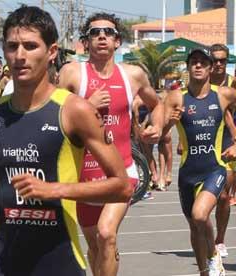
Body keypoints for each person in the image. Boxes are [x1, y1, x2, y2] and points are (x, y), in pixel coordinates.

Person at [0, 6, 132, 276]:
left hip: (59, 259)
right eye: (12, 46)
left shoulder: (75, 111)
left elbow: (122, 187)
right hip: (4, 259)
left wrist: (54, 190)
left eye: (31, 46)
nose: (20, 56)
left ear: (51, 51)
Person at [58, 12, 164, 276]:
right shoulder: (72, 73)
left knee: (107, 235)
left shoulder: (133, 75)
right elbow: (52, 114)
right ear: (85, 42)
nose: (102, 36)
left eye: (108, 32)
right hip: (82, 177)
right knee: (96, 245)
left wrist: (157, 127)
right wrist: (84, 106)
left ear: (118, 41)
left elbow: (157, 104)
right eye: (95, 32)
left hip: (122, 172)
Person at [164, 48, 236, 276]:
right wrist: (166, 125)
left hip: (214, 168)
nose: (198, 66)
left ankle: (214, 252)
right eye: (193, 62)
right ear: (188, 67)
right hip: (187, 172)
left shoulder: (223, 94)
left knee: (199, 214)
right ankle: (205, 271)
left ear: (209, 67)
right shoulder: (177, 97)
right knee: (195, 227)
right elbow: (157, 132)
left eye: (202, 63)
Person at [209, 43, 236, 259]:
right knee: (203, 197)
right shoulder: (201, 81)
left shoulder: (232, 84)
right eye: (215, 60)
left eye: (222, 60)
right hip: (203, 143)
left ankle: (220, 240)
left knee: (224, 196)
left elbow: (228, 111)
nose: (218, 64)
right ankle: (204, 235)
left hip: (227, 143)